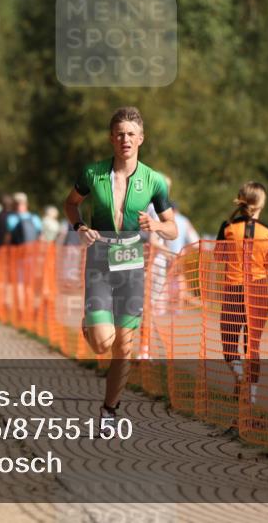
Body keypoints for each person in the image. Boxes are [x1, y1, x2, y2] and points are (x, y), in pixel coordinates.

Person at [63, 106, 177, 431]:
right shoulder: (93, 174)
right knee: (103, 343)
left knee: (124, 346)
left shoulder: (153, 180)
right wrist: (80, 227)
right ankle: (91, 325)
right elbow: (70, 204)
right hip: (99, 258)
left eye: (131, 134)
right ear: (111, 138)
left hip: (131, 261)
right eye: (119, 133)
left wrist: (155, 225)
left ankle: (109, 411)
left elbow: (173, 230)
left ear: (141, 138)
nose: (125, 139)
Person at [215, 181, 268, 404]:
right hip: (259, 291)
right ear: (261, 203)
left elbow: (218, 256)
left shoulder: (227, 227)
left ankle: (240, 377)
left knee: (230, 347)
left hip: (233, 289)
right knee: (253, 346)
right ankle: (251, 397)